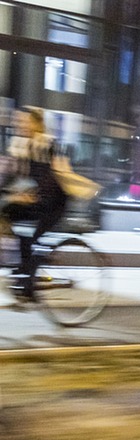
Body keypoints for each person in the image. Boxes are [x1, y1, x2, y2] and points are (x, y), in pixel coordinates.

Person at [1, 106, 68, 301]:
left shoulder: (49, 145)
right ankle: (25, 275)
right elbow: (9, 176)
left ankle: (29, 276)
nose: (18, 124)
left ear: (36, 123)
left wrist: (32, 194)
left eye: (23, 120)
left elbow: (51, 177)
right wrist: (7, 193)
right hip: (32, 201)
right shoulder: (18, 146)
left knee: (32, 237)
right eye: (17, 121)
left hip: (54, 203)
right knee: (11, 215)